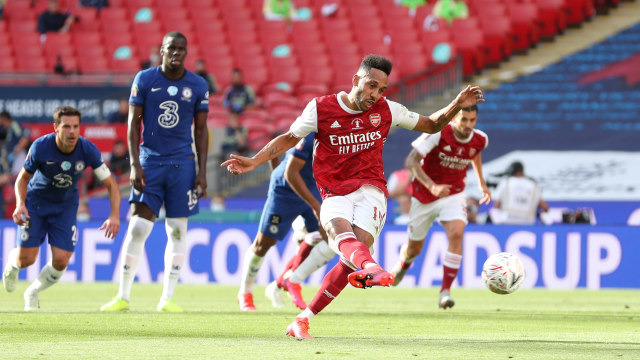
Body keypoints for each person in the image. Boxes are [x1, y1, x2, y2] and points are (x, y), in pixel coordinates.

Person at [222, 54, 485, 338]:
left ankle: (305, 316)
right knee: (340, 235)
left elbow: (432, 124)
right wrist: (253, 160)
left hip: (371, 191)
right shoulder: (321, 108)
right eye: (371, 86)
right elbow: (288, 137)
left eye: (382, 89)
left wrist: (457, 104)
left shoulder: (388, 110)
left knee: (352, 256)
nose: (376, 95)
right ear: (355, 80)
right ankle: (367, 269)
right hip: (334, 190)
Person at [100, 31, 209, 313]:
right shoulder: (145, 79)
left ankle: (167, 298)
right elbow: (133, 125)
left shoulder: (197, 85)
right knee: (138, 227)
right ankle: (123, 296)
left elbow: (201, 129)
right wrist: (135, 163)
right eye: (172, 47)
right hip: (150, 162)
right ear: (161, 50)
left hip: (183, 164)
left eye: (182, 49)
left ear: (187, 52)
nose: (177, 52)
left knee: (177, 229)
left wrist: (202, 171)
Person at [2, 106, 121, 311]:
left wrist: (114, 216)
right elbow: (22, 179)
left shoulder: (88, 150)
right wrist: (21, 203)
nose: (72, 131)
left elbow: (111, 184)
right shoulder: (41, 147)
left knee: (61, 260)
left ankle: (33, 291)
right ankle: (11, 266)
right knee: (25, 260)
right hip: (36, 204)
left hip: (65, 206)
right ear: (56, 127)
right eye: (66, 127)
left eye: (76, 126)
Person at [389, 105, 491, 309]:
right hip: (424, 195)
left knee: (456, 234)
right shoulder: (438, 133)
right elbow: (411, 161)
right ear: (454, 120)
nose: (468, 125)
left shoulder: (480, 139)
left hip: (453, 194)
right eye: (464, 120)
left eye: (472, 120)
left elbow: (475, 154)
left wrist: (481, 182)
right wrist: (432, 186)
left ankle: (445, 291)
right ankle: (403, 263)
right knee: (414, 249)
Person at [236, 132, 333, 311]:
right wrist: (316, 207)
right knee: (263, 245)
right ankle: (245, 292)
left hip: (314, 189)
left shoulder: (346, 133)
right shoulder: (311, 133)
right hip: (286, 190)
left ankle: (289, 281)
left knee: (332, 241)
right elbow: (289, 166)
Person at [490, 161, 549, 225]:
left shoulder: (505, 183)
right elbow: (544, 207)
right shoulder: (532, 185)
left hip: (508, 220)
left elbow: (497, 205)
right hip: (528, 221)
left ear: (511, 170)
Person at [0, 110, 31, 176]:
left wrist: (14, 153)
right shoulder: (7, 130)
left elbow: (25, 139)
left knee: (20, 177)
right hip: (13, 158)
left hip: (20, 156)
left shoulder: (14, 125)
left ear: (3, 118)